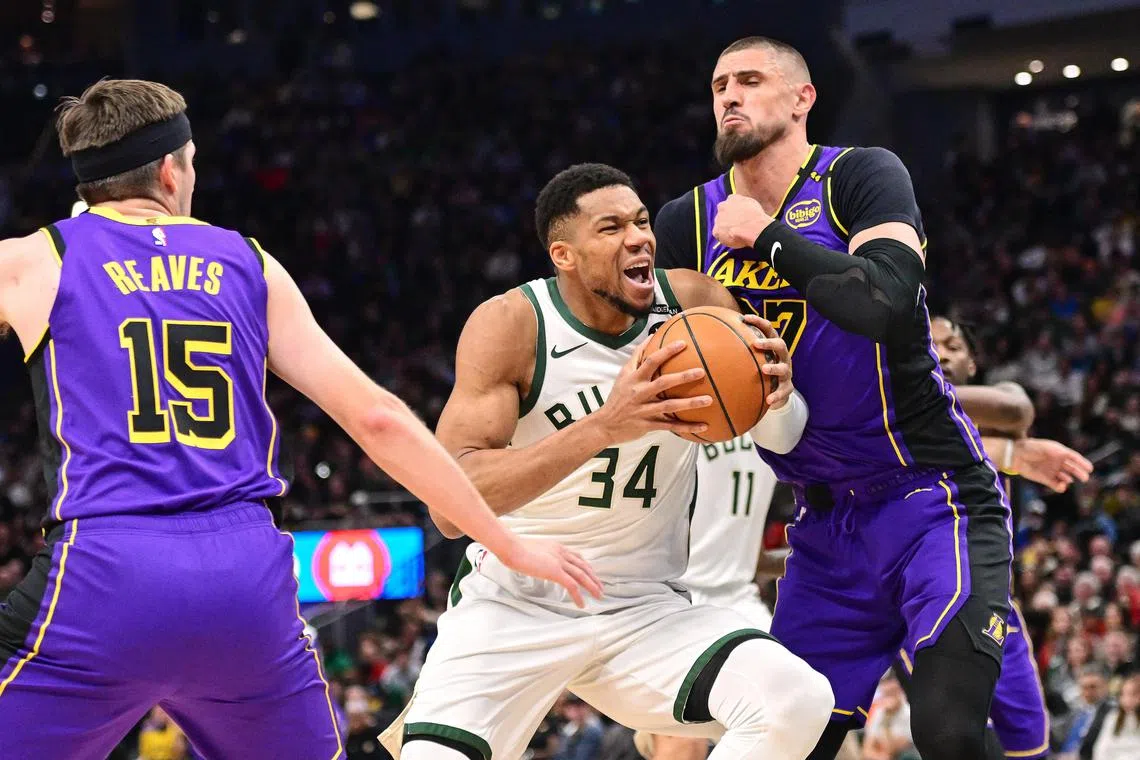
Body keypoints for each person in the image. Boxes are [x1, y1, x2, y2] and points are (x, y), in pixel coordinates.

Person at [0, 79, 598, 759]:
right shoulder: (249, 263)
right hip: (243, 576)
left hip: (106, 570)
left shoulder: (33, 261)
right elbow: (378, 417)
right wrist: (510, 543)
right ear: (171, 170)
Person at [380, 163, 832, 760]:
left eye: (642, 221)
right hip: (515, 602)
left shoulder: (694, 304)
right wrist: (603, 427)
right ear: (564, 254)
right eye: (612, 227)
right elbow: (449, 507)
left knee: (797, 700)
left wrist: (774, 397)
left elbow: (785, 437)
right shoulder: (513, 325)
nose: (639, 237)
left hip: (643, 606)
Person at [654, 36, 1013, 759]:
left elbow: (885, 301)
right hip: (820, 523)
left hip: (932, 496)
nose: (729, 96)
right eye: (720, 84)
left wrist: (770, 240)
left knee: (945, 730)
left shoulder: (862, 176)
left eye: (750, 81)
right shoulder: (685, 223)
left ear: (801, 98)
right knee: (786, 738)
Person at [896, 315, 1093, 759]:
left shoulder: (998, 408)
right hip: (924, 609)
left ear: (972, 362)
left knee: (1031, 747)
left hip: (998, 606)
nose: (943, 353)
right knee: (964, 740)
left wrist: (1009, 450)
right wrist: (1009, 455)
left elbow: (1017, 409)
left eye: (954, 346)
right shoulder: (887, 425)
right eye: (930, 343)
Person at [638, 434, 782, 760]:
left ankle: (654, 728)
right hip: (683, 598)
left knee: (803, 715)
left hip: (726, 596)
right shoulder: (772, 427)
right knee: (686, 739)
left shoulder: (697, 418)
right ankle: (656, 728)